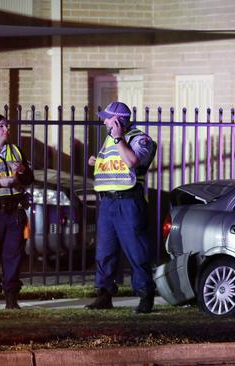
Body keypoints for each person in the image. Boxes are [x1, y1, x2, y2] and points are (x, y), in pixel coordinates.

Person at [86, 101, 157, 313]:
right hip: (108, 203)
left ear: (118, 120)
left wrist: (118, 138)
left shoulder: (140, 139)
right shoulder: (109, 141)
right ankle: (104, 294)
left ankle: (145, 296)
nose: (104, 121)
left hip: (129, 202)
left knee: (137, 252)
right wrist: (95, 161)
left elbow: (132, 160)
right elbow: (111, 163)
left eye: (107, 117)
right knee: (104, 252)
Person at [0, 113, 33, 310]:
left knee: (14, 256)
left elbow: (29, 179)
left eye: (6, 126)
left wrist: (24, 172)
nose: (6, 130)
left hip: (15, 212)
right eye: (1, 126)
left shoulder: (15, 150)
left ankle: (11, 300)